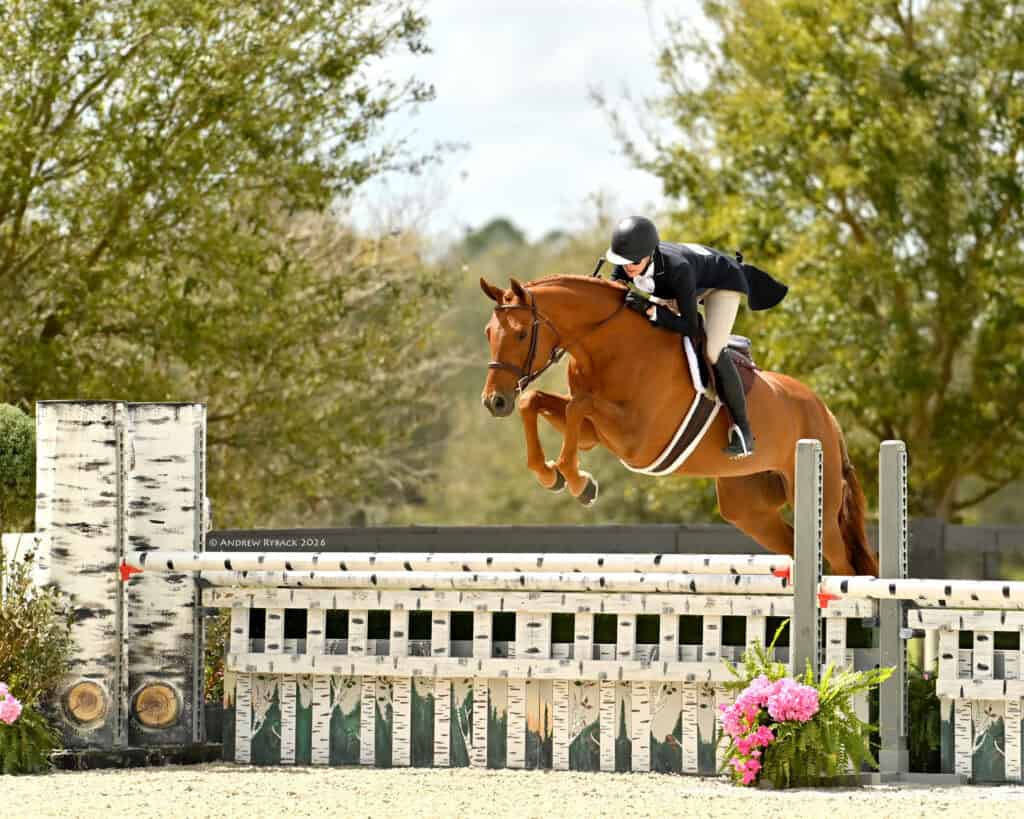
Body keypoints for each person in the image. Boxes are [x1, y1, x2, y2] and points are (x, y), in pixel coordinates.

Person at [605, 215, 787, 459]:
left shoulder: (677, 268)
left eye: (633, 262)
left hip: (721, 283)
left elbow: (690, 326)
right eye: (622, 261)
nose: (628, 268)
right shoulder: (629, 262)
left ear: (648, 254)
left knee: (712, 350)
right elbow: (614, 291)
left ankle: (743, 431)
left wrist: (651, 309)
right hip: (678, 285)